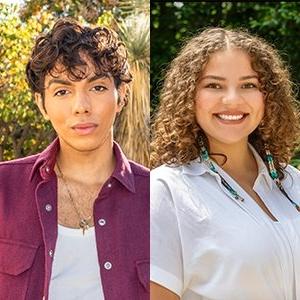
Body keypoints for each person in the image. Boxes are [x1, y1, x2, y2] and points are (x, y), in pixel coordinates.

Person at [0, 18, 149, 300]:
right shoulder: (3, 188)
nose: (81, 107)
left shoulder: (158, 197)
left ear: (121, 96)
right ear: (41, 104)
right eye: (62, 91)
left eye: (97, 88)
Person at [150, 27, 300, 300]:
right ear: (188, 97)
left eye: (249, 85)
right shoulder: (165, 191)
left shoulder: (293, 182)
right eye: (214, 85)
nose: (232, 100)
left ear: (268, 97)